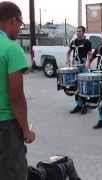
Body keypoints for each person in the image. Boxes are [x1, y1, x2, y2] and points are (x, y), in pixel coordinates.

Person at [0, 1, 36, 179]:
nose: (20, 29)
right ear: (13, 20)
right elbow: (16, 97)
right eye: (20, 24)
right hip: (5, 127)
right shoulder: (11, 49)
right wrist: (26, 130)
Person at [67, 26, 92, 115]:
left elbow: (90, 54)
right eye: (77, 31)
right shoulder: (73, 42)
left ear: (83, 32)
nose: (78, 33)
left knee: (84, 86)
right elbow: (69, 52)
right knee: (76, 86)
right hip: (75, 67)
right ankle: (78, 105)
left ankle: (85, 105)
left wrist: (87, 63)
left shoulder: (87, 42)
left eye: (80, 31)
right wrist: (68, 62)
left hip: (83, 66)